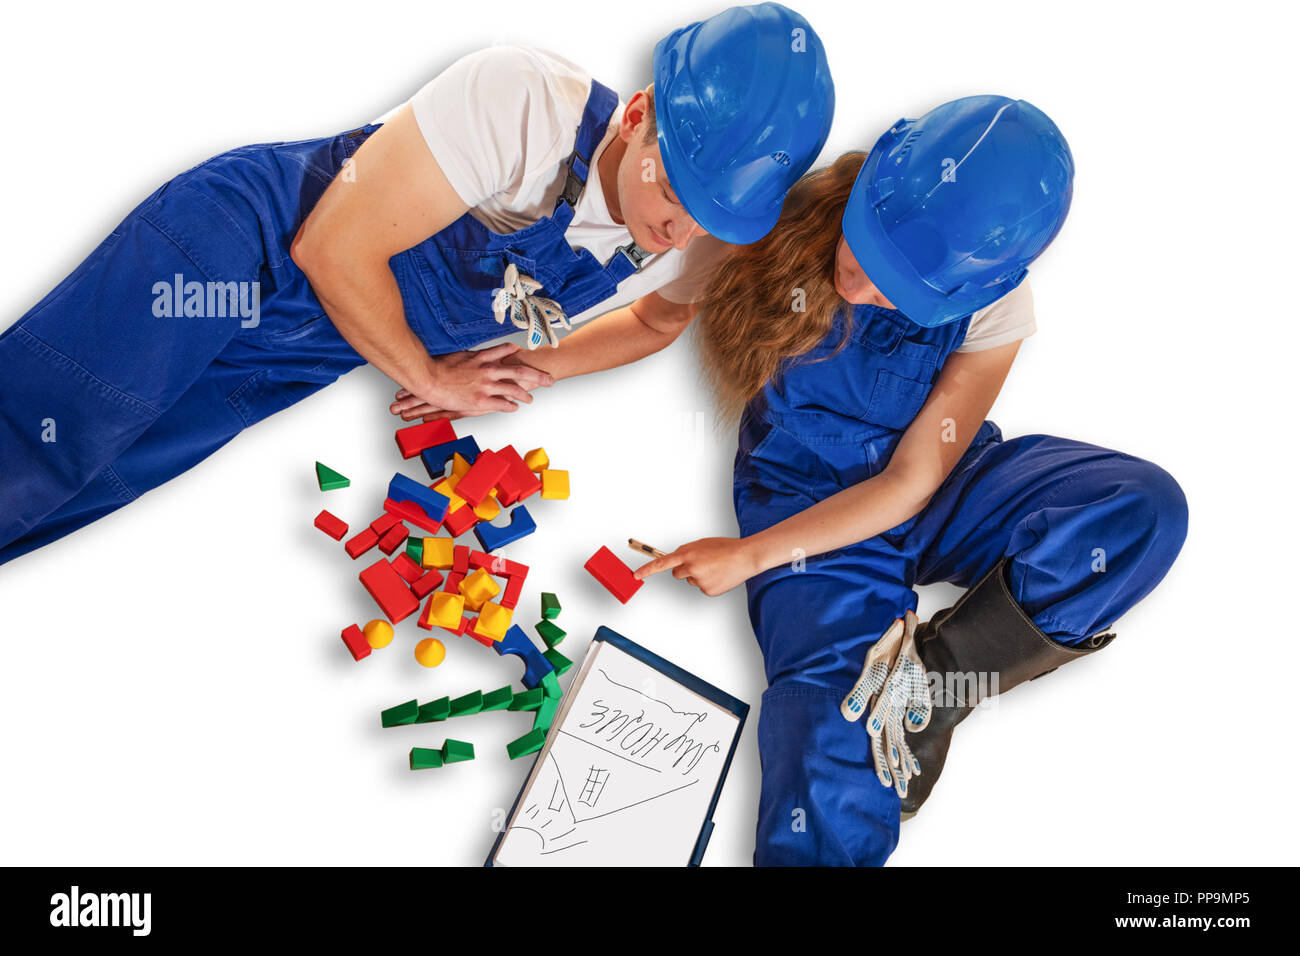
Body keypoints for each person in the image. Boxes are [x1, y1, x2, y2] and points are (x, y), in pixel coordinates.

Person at [0, 2, 835, 564]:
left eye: (712, 219)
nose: (680, 231)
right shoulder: (523, 101)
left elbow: (656, 323)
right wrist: (429, 374)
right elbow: (331, 247)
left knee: (87, 488)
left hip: (313, 348)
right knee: (38, 443)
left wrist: (524, 373)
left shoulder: (712, 230)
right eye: (674, 192)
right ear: (639, 112)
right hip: (238, 249)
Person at [634, 95, 1189, 865]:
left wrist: (746, 557)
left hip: (930, 482)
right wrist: (532, 360)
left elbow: (914, 478)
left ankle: (933, 685)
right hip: (806, 502)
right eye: (859, 261)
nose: (859, 292)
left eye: (897, 293)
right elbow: (651, 311)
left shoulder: (997, 302)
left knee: (1143, 510)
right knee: (835, 726)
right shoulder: (786, 205)